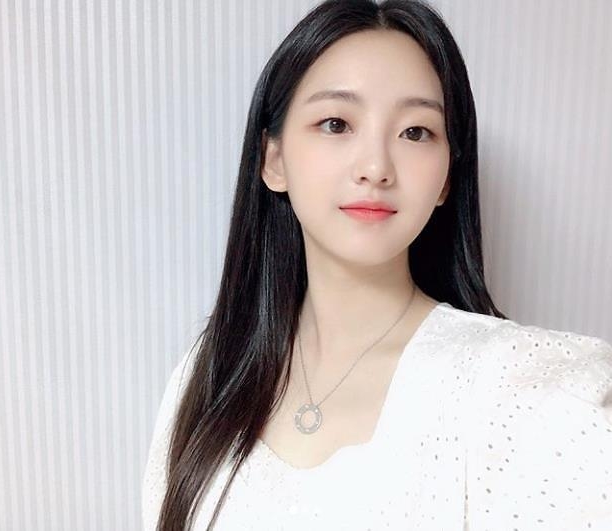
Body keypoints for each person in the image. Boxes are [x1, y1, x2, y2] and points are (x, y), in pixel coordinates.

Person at [142, 0, 612, 529]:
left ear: (447, 178)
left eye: (415, 132)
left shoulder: (526, 390)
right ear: (273, 160)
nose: (375, 167)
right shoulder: (209, 374)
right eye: (336, 123)